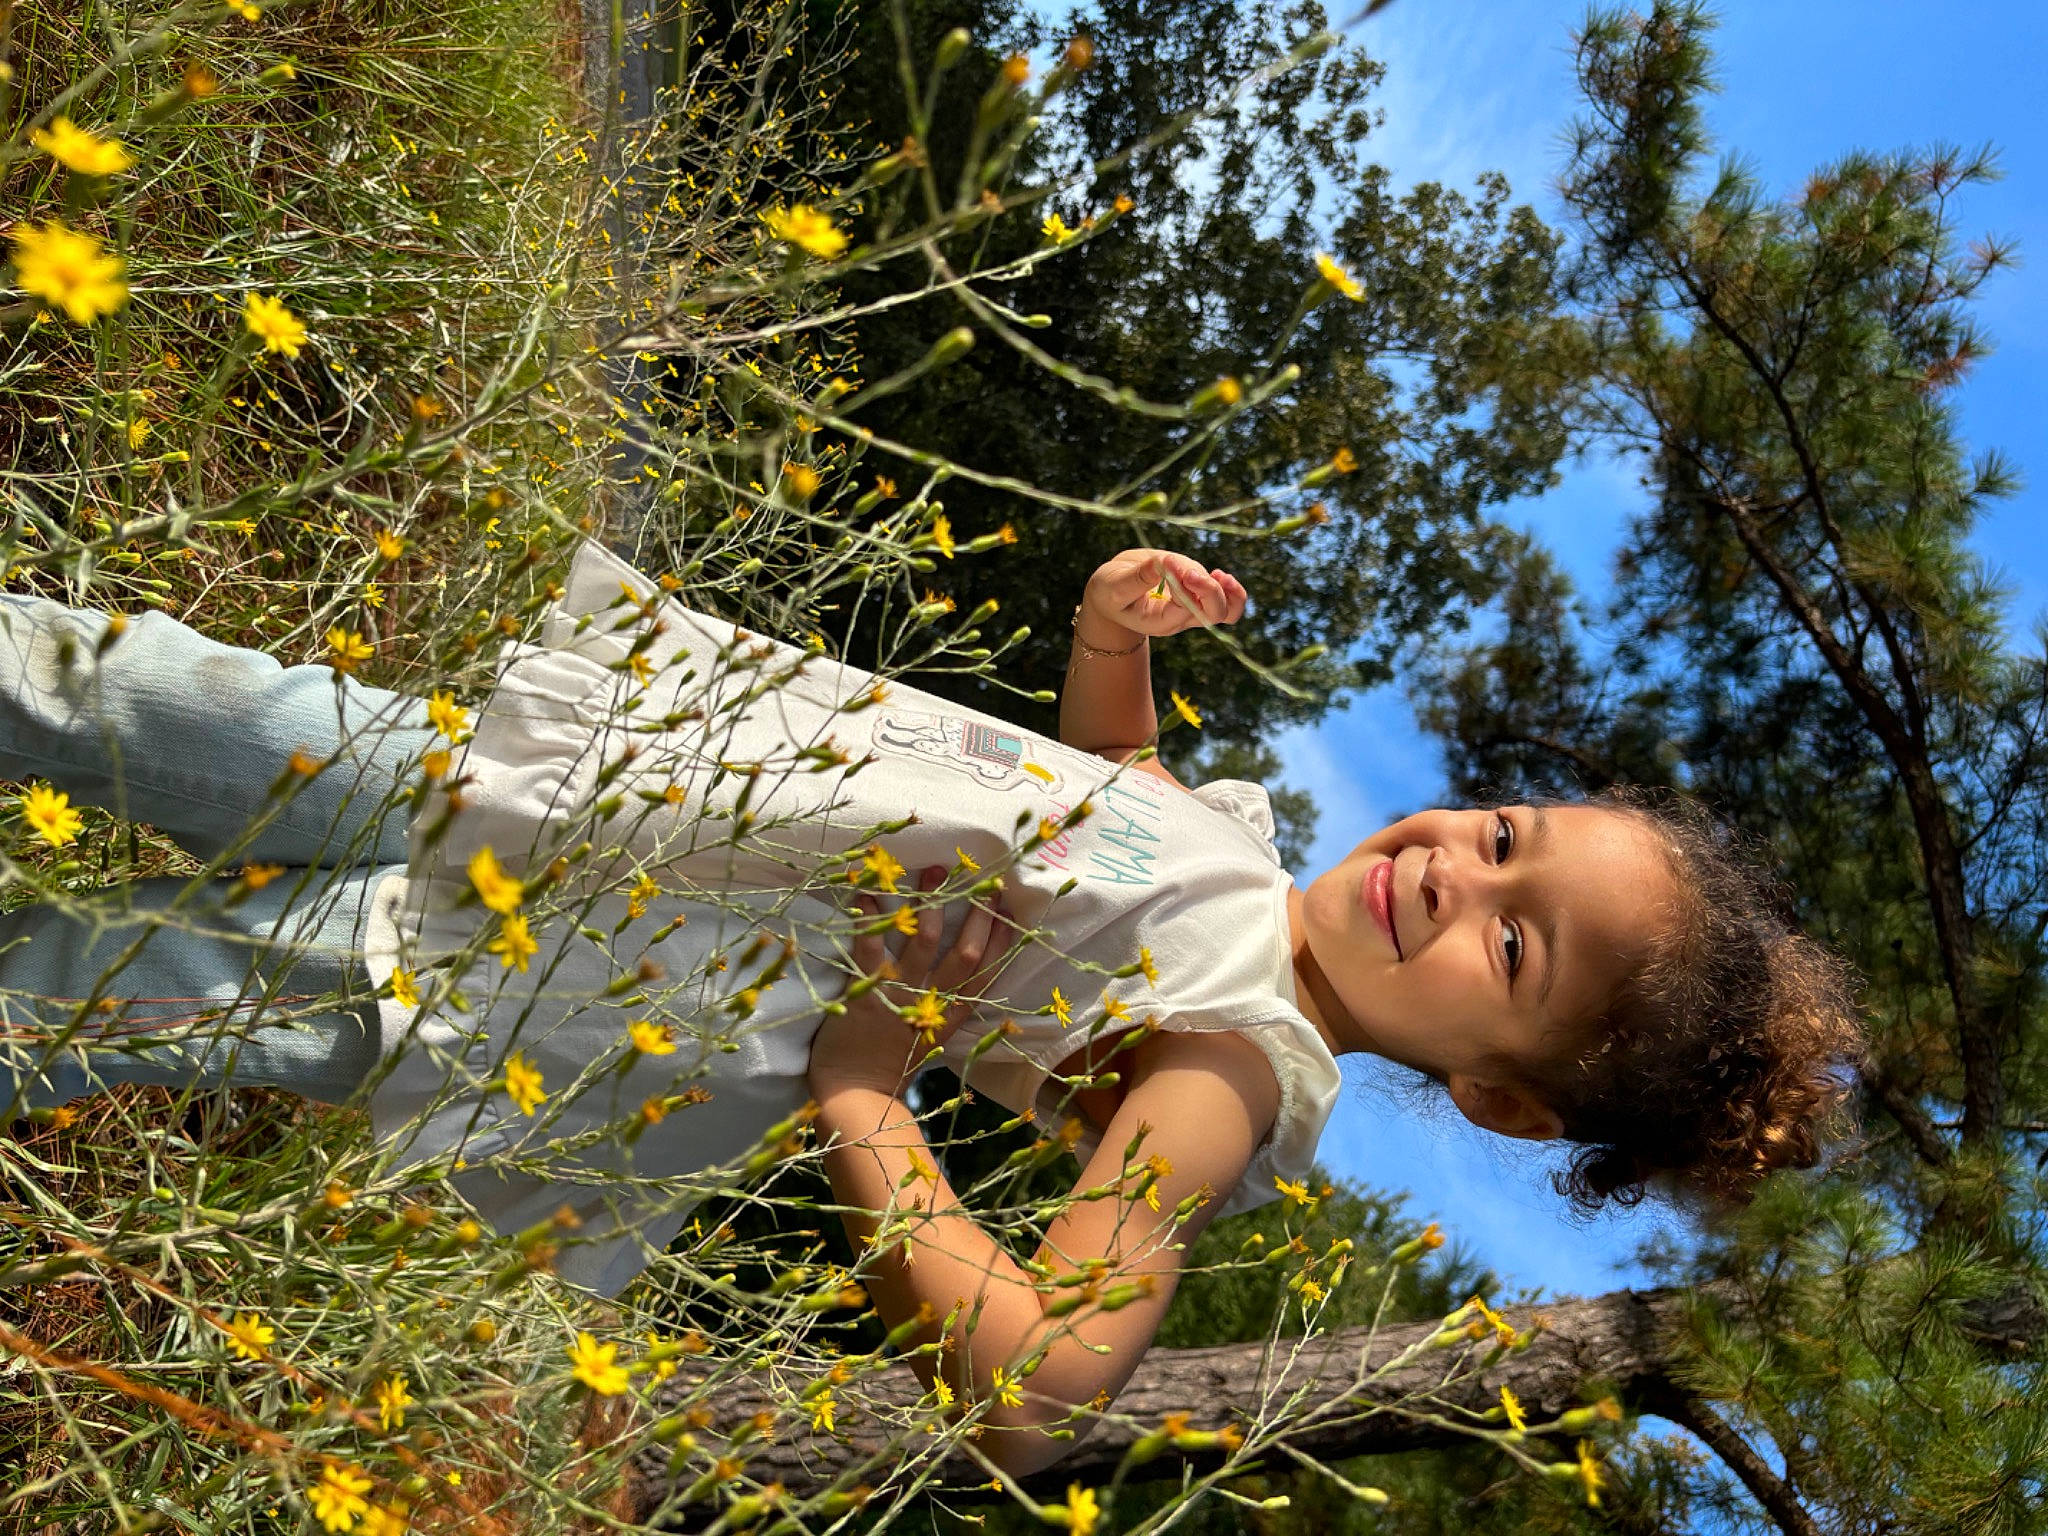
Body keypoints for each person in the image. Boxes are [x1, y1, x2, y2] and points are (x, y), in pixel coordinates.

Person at [0, 535, 1866, 1478]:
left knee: (122, 987)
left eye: (1515, 950)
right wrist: (1112, 640)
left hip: (588, 972)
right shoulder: (1243, 873)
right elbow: (1108, 804)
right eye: (1506, 834)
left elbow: (1042, 1391)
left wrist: (866, 1088)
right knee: (152, 697)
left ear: (1500, 1100)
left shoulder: (1235, 1070)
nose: (1460, 873)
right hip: (610, 798)